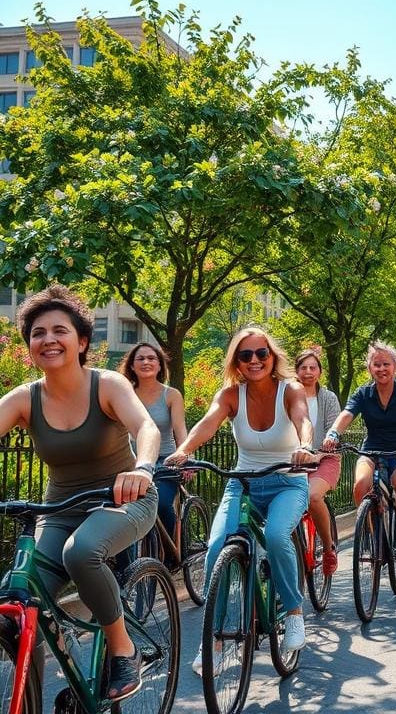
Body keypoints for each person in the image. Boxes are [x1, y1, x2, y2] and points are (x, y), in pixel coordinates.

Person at [0, 285, 160, 701]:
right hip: (60, 509)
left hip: (124, 500)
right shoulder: (24, 398)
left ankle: (124, 649)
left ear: (82, 340)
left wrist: (142, 469)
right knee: (17, 603)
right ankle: (31, 698)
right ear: (30, 345)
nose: (48, 339)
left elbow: (146, 428)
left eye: (59, 330)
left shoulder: (106, 385)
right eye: (38, 332)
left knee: (81, 551)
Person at [166, 327, 314, 673]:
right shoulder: (231, 395)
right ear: (237, 361)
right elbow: (208, 423)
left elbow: (302, 420)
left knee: (277, 536)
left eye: (261, 353)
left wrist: (305, 447)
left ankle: (293, 612)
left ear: (272, 356)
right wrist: (184, 450)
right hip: (243, 484)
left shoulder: (289, 390)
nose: (254, 361)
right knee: (217, 547)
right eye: (245, 355)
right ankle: (214, 643)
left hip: (287, 483)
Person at [321, 341, 396, 568]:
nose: (381, 369)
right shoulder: (363, 393)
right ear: (369, 368)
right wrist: (333, 435)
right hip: (372, 449)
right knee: (360, 484)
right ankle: (373, 533)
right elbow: (346, 415)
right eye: (376, 364)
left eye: (386, 364)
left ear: (395, 367)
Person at [119, 342, 188, 545]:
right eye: (140, 358)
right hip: (131, 462)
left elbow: (179, 429)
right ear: (132, 366)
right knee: (119, 509)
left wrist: (185, 455)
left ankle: (168, 553)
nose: (146, 362)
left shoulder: (171, 395)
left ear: (160, 365)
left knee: (162, 504)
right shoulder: (124, 394)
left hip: (165, 462)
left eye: (151, 358)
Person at [294, 348, 342, 577]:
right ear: (296, 372)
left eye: (313, 367)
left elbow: (334, 430)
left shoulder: (328, 398)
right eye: (303, 368)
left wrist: (319, 453)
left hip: (325, 459)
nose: (308, 372)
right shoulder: (289, 397)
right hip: (294, 461)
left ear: (320, 372)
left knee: (313, 496)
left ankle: (329, 547)